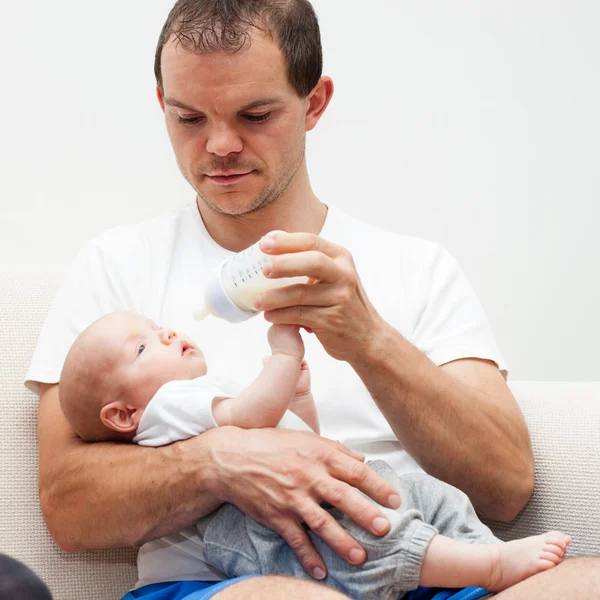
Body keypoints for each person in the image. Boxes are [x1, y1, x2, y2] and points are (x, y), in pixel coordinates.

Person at [25, 0, 600, 598]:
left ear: (314, 103)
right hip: (230, 580)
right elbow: (67, 506)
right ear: (161, 104)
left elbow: (507, 486)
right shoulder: (116, 266)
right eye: (189, 118)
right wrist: (222, 462)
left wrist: (369, 340)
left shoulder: (416, 268)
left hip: (434, 569)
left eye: (254, 114)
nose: (220, 144)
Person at [57, 309, 571, 599]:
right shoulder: (164, 410)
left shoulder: (191, 398)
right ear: (121, 416)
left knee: (432, 498)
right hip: (235, 548)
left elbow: (301, 447)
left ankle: (475, 560)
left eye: (155, 327)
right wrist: (284, 355)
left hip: (291, 523)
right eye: (143, 348)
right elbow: (251, 416)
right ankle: (488, 566)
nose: (166, 333)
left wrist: (298, 401)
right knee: (367, 532)